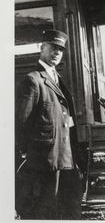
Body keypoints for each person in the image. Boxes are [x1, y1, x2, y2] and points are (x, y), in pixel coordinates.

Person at [15, 29, 85, 220]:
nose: (56, 53)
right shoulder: (33, 80)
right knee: (45, 211)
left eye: (60, 50)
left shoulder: (57, 79)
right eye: (52, 48)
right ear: (42, 48)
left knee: (68, 210)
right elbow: (21, 123)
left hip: (66, 160)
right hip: (45, 162)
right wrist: (25, 157)